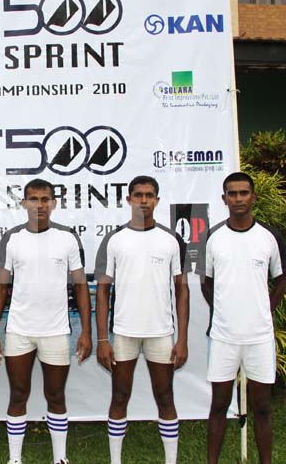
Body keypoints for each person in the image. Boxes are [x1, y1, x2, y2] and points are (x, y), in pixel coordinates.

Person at [0, 178, 92, 464]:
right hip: (19, 330)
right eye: (33, 199)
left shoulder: (67, 238)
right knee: (18, 394)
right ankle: (14, 459)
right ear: (23, 203)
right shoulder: (12, 238)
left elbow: (80, 286)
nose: (39, 205)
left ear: (54, 203)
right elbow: (1, 288)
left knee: (55, 395)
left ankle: (60, 458)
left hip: (56, 331)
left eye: (45, 199)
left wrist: (87, 332)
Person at [95, 175, 189, 464]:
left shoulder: (171, 240)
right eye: (138, 195)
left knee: (165, 397)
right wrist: (102, 339)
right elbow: (102, 291)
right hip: (124, 332)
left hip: (161, 333)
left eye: (149, 195)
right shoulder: (115, 239)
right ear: (129, 199)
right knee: (120, 395)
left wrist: (182, 340)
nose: (143, 200)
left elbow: (182, 290)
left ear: (157, 200)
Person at [198, 172, 286, 464]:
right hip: (223, 337)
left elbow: (281, 280)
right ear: (224, 199)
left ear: (253, 197)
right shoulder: (213, 237)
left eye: (243, 193)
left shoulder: (269, 237)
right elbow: (205, 283)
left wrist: (264, 310)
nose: (238, 199)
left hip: (259, 338)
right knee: (219, 406)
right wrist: (223, 310)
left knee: (262, 407)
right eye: (232, 193)